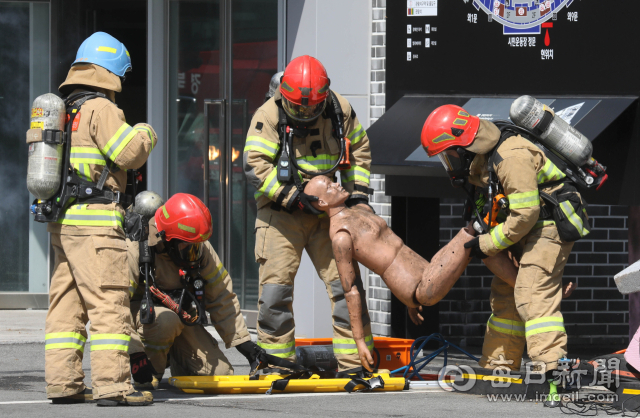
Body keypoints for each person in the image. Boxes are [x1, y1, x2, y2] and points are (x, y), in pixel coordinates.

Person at [421, 104, 582, 379]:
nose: (450, 165)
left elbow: (526, 213)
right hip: (524, 228)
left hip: (548, 225)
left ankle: (555, 370)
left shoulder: (510, 156)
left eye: (449, 157)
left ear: (463, 147)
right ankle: (499, 367)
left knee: (532, 294)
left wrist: (487, 244)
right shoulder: (482, 160)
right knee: (506, 297)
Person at [304, 175, 521, 370]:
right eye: (330, 187)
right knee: (472, 235)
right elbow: (350, 290)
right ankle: (525, 287)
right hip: (420, 289)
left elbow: (392, 247)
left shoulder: (360, 210)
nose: (337, 184)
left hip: (427, 270)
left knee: (481, 245)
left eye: (333, 181)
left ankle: (521, 282)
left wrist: (408, 304)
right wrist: (360, 342)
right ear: (322, 202)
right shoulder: (341, 236)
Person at [44, 32, 157, 406]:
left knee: (66, 304)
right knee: (109, 301)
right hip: (95, 224)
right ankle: (114, 385)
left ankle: (64, 383)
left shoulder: (65, 108)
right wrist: (146, 132)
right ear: (111, 71)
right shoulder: (101, 109)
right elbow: (128, 154)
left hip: (63, 222)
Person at [243, 55, 373, 370]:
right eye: (297, 108)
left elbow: (359, 150)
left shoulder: (338, 108)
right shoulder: (269, 114)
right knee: (275, 293)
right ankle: (277, 363)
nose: (304, 113)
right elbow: (255, 164)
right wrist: (293, 197)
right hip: (282, 214)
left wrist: (356, 199)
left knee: (347, 287)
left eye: (311, 107)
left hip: (329, 214)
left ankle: (356, 363)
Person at [127, 193, 261, 388]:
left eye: (196, 246)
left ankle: (174, 356)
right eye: (187, 248)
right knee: (165, 321)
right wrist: (135, 351)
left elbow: (221, 294)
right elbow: (113, 306)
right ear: (168, 239)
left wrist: (244, 344)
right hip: (141, 317)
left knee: (221, 375)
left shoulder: (195, 242)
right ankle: (149, 374)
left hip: (180, 317)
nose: (194, 252)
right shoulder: (135, 248)